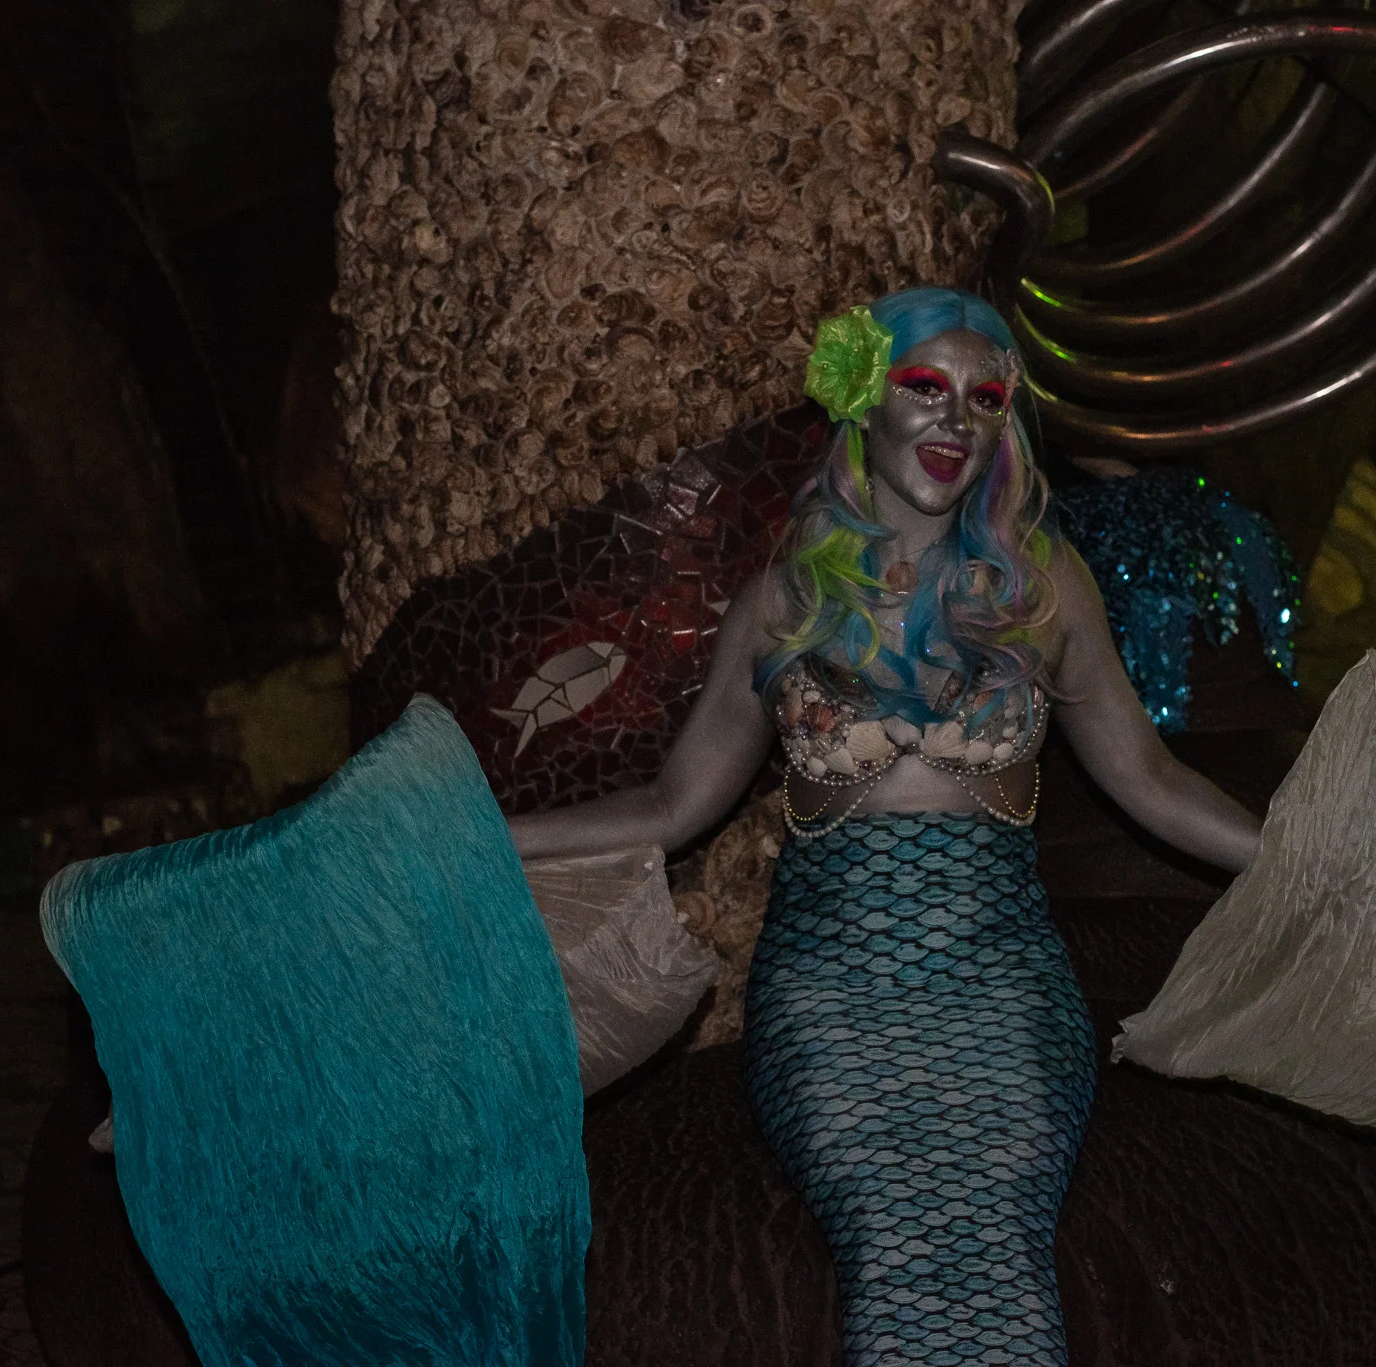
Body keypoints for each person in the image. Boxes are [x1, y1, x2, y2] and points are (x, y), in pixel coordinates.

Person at [510, 286, 1260, 1364]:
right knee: (894, 1232)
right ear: (866, 399)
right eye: (924, 385)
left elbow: (1148, 777)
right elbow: (672, 807)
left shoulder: (1043, 587)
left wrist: (1297, 861)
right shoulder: (784, 602)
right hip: (829, 999)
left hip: (1001, 990)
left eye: (985, 398)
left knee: (997, 1223)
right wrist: (487, 833)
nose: (955, 418)